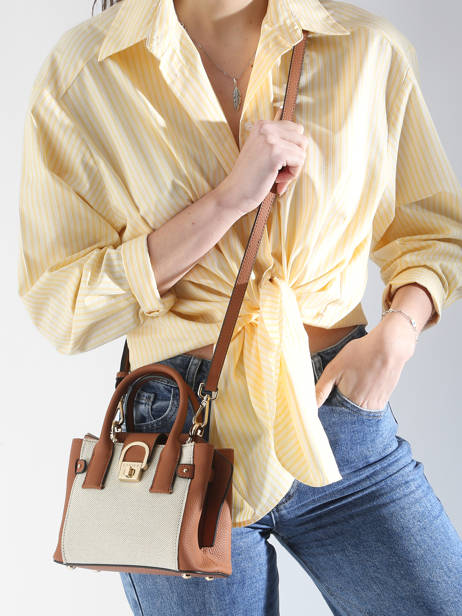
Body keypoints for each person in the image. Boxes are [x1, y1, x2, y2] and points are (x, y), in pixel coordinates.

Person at [17, 0, 462, 613]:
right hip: (175, 438)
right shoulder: (86, 71)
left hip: (337, 416)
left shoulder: (366, 49)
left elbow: (431, 232)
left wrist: (399, 333)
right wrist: (228, 200)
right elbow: (61, 304)